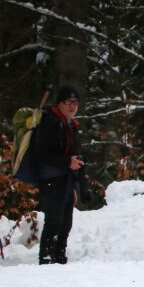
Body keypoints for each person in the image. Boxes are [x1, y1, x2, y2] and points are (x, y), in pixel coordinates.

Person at [34, 85, 90, 265]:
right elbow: (43, 154)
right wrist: (68, 163)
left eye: (75, 102)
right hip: (51, 178)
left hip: (66, 179)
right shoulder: (51, 122)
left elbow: (76, 157)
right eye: (68, 102)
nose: (72, 106)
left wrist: (82, 186)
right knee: (55, 220)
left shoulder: (70, 125)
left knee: (66, 223)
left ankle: (59, 258)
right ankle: (47, 259)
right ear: (59, 104)